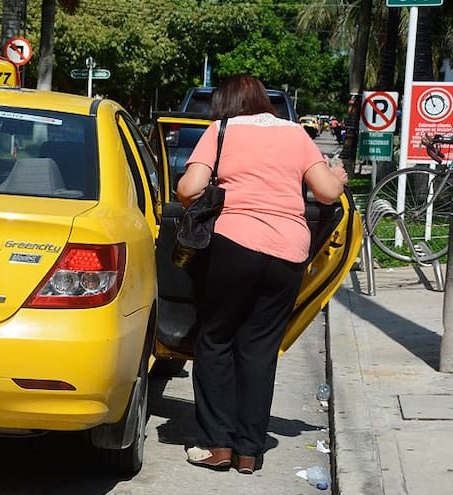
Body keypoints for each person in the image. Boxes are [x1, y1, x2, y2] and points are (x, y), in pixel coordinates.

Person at [176, 74, 348, 475]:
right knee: (259, 349)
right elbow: (326, 192)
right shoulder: (295, 133)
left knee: (216, 339)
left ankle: (217, 444)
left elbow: (188, 189)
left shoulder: (220, 131)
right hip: (288, 251)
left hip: (233, 244)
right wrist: (338, 178)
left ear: (225, 103)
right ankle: (249, 451)